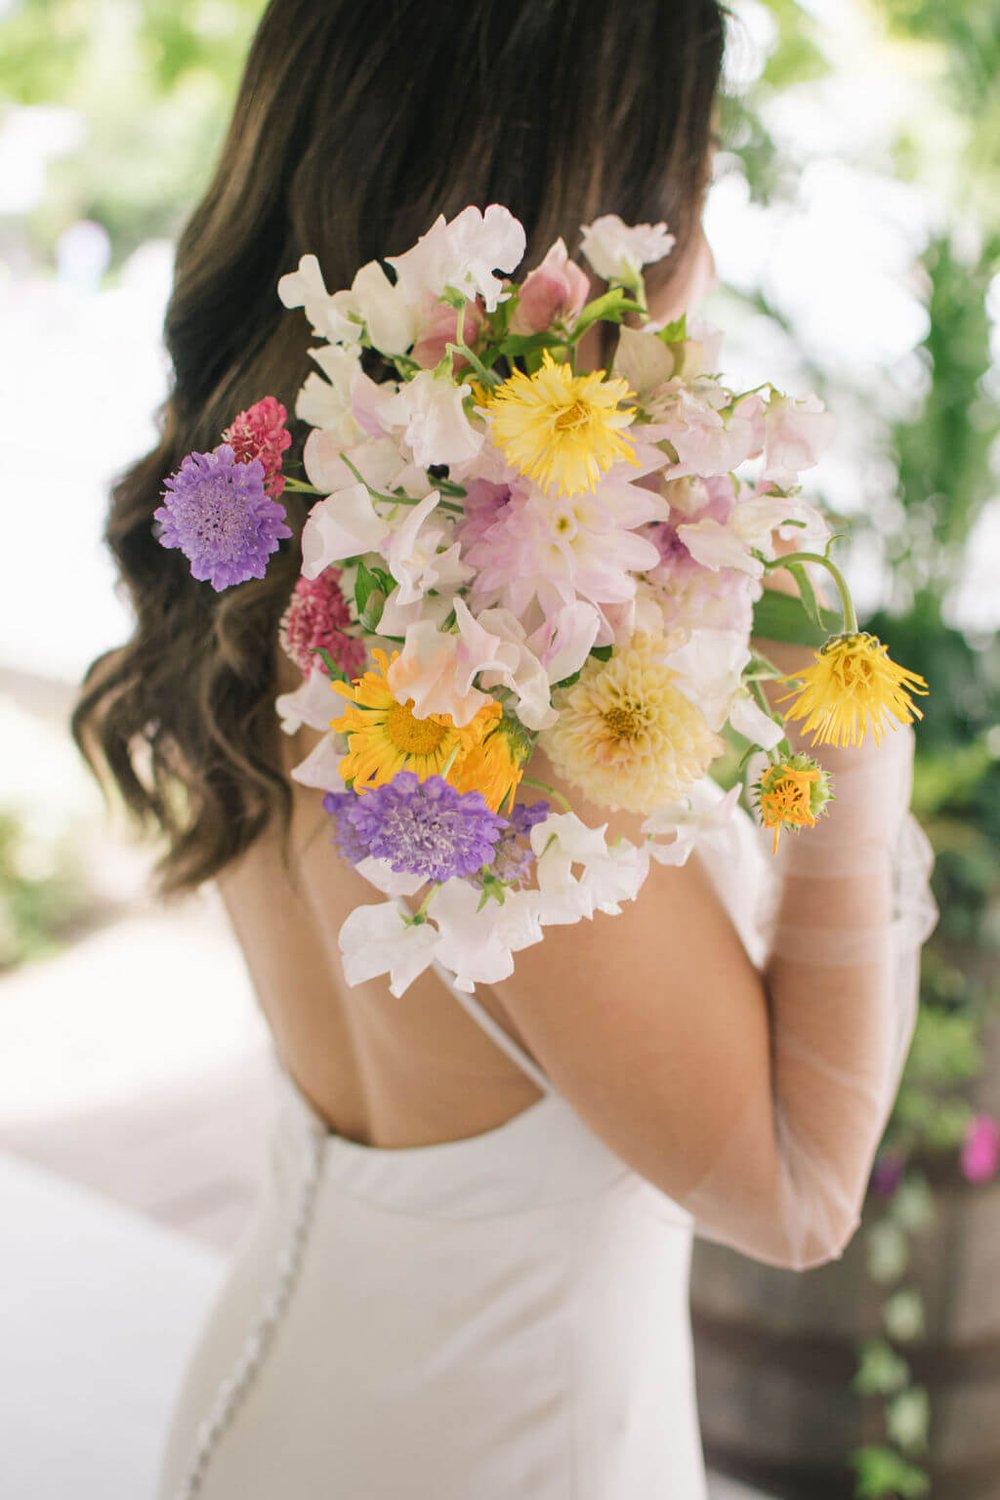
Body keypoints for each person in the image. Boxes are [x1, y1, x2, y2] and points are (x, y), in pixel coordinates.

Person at [72, 2, 937, 1496]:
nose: (706, 240)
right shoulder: (496, 707)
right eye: (697, 164)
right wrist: (852, 746)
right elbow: (800, 1197)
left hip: (297, 1412)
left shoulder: (300, 572)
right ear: (607, 200)